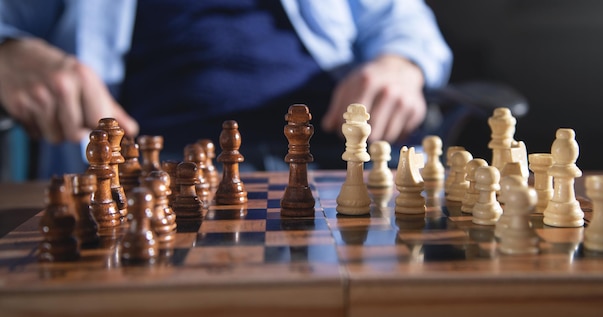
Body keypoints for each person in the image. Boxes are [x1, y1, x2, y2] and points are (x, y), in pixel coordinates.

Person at [0, 0, 452, 175]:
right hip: (151, 171)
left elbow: (403, 19)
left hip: (331, 157)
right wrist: (9, 52)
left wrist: (400, 63)